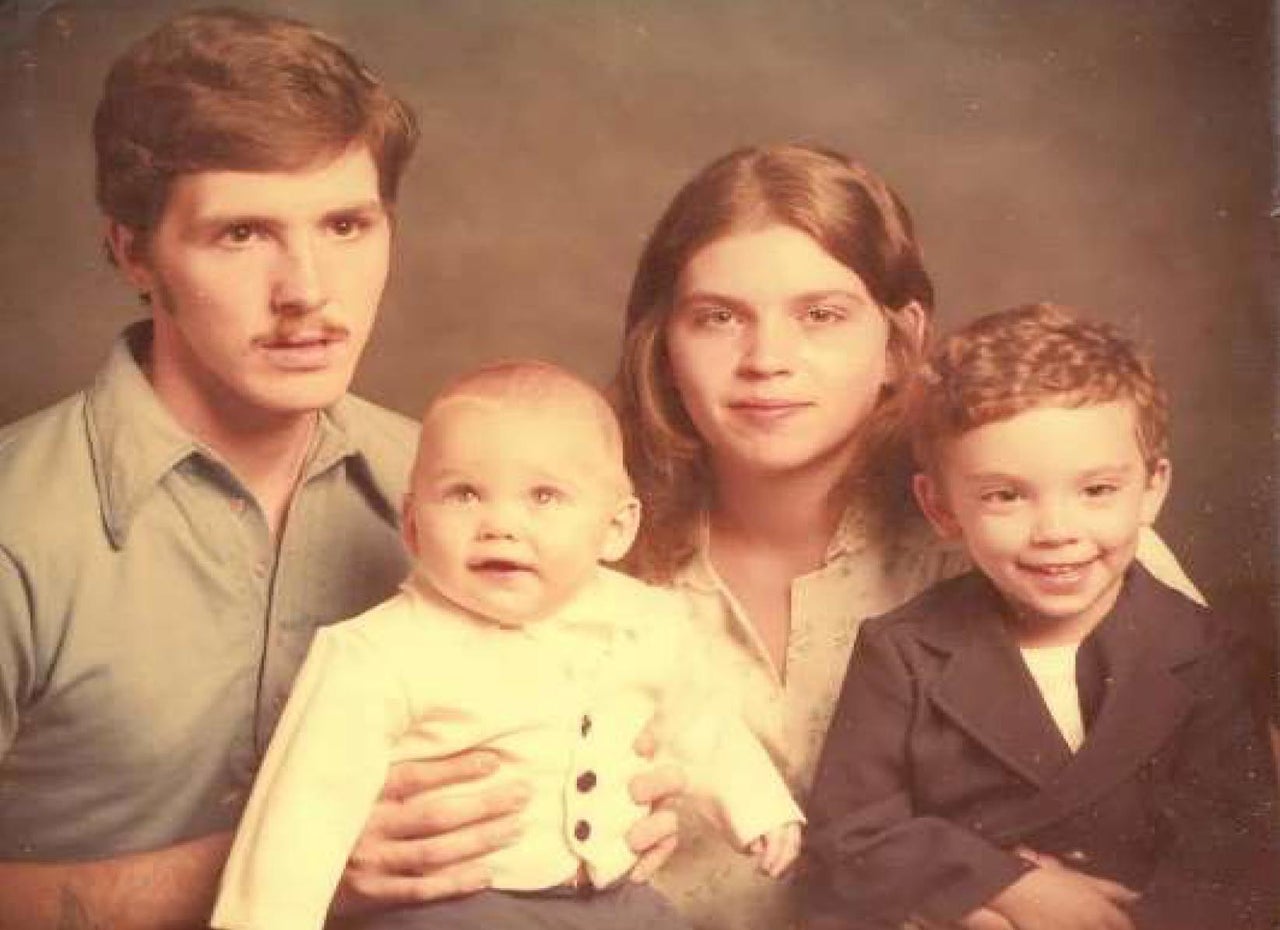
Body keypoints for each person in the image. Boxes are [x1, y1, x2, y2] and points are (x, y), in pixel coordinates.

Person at [0, 11, 676, 930]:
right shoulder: (17, 524)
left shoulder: (459, 485)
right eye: (241, 234)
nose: (309, 291)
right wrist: (309, 861)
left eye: (348, 224)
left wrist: (617, 801)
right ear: (132, 252)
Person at [611, 144, 1203, 930]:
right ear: (663, 347)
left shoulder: (1045, 542)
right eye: (718, 318)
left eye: (821, 315)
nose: (767, 361)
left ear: (899, 342)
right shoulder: (582, 561)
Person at [212, 360, 803, 930]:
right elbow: (304, 810)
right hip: (454, 905)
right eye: (465, 494)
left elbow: (702, 724)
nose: (500, 524)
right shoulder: (378, 651)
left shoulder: (647, 621)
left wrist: (758, 808)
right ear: (413, 525)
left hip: (614, 897)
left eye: (543, 497)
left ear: (615, 528)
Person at [804, 304, 1278, 930]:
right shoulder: (902, 651)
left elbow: (1239, 852)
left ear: (1153, 488)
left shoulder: (1207, 650)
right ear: (942, 508)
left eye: (1097, 491)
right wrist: (1004, 888)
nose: (1056, 532)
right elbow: (852, 832)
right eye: (1005, 496)